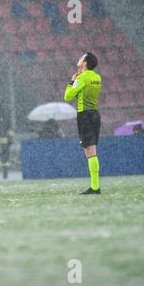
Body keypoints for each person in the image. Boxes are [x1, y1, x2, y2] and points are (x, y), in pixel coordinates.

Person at [64, 52, 102, 194]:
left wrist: (72, 81)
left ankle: (95, 186)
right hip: (95, 114)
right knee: (93, 150)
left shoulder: (82, 78)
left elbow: (67, 96)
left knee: (89, 151)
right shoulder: (97, 77)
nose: (79, 58)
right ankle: (95, 185)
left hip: (84, 115)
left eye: (81, 57)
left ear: (85, 63)